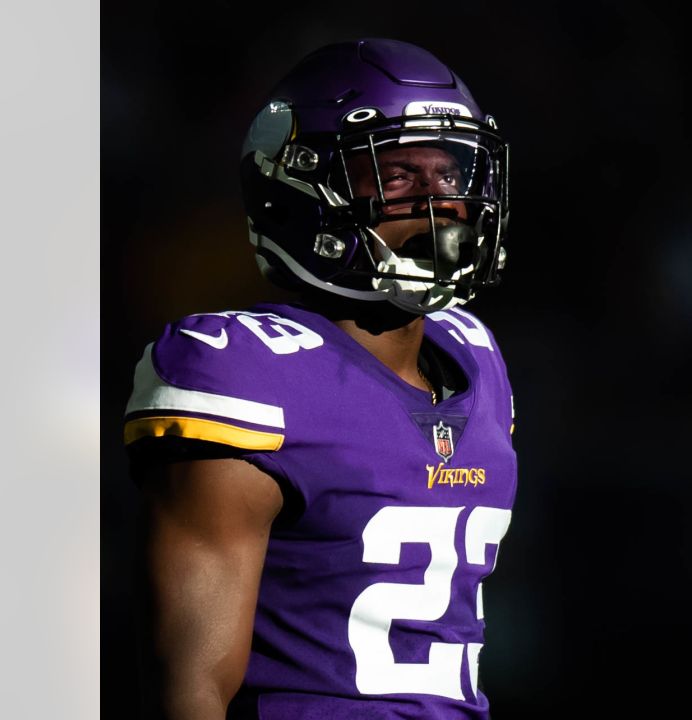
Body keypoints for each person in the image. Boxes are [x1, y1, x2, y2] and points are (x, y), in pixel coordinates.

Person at [123, 38, 517, 719]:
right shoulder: (242, 370)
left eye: (452, 173)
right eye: (396, 174)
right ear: (302, 191)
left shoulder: (476, 352)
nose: (440, 200)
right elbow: (190, 685)